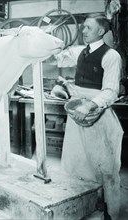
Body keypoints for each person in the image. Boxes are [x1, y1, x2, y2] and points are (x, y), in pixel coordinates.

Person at [52, 13, 123, 220]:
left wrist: (91, 104)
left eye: (87, 28)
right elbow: (61, 59)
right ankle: (83, 207)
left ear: (101, 31)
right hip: (78, 115)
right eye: (82, 28)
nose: (82, 31)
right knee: (76, 164)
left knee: (105, 169)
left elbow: (110, 91)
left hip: (98, 117)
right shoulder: (81, 52)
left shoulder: (111, 56)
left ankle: (109, 213)